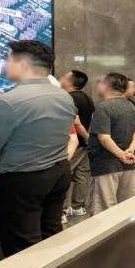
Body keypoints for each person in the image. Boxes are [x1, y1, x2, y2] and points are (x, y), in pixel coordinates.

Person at [0, 41, 76, 265]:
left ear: (22, 64)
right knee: (50, 234)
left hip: (21, 180)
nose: (6, 64)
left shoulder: (8, 102)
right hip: (59, 172)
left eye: (8, 59)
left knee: (22, 247)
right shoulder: (64, 97)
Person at [86, 73, 135, 216]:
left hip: (106, 165)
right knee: (126, 208)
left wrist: (121, 154)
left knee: (104, 210)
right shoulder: (131, 106)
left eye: (101, 82)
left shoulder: (103, 107)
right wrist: (129, 151)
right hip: (128, 165)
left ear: (107, 86)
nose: (98, 85)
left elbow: (104, 137)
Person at [58, 70, 94, 220]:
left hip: (73, 143)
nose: (60, 78)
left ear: (70, 82)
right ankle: (78, 207)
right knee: (81, 174)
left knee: (63, 174)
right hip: (84, 142)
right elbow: (92, 120)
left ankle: (61, 211)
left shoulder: (68, 99)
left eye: (63, 77)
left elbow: (74, 122)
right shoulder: (87, 98)